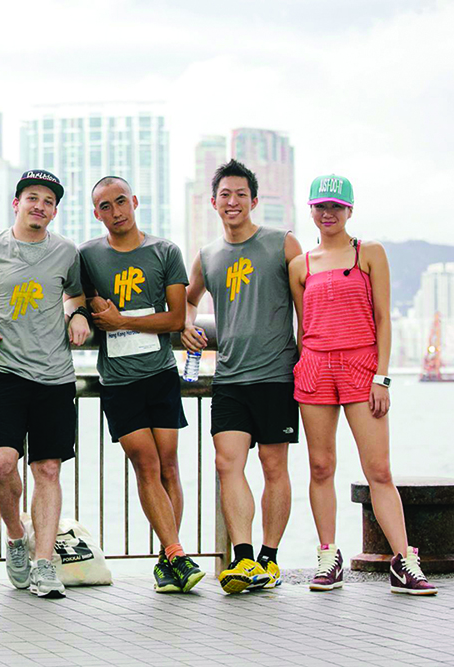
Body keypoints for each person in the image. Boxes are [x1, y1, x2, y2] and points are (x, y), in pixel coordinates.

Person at [290, 175, 436, 595]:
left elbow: (384, 318)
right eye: (320, 206)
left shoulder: (368, 253)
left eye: (336, 206)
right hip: (315, 369)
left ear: (350, 210)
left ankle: (404, 560)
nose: (328, 213)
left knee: (379, 470)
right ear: (311, 210)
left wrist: (382, 378)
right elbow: (304, 326)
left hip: (361, 367)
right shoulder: (301, 264)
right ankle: (328, 556)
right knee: (321, 467)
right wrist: (302, 367)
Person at [0, 169, 90, 599]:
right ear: (16, 203)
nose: (40, 206)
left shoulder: (66, 251)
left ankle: (45, 563)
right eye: (32, 198)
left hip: (54, 375)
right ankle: (17, 536)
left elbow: (76, 295)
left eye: (48, 202)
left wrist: (78, 315)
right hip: (4, 372)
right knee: (1, 462)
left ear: (54, 211)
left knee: (48, 469)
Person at [79, 176, 204, 593]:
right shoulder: (87, 256)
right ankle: (177, 555)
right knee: (146, 464)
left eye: (121, 202)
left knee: (169, 465)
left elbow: (174, 318)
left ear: (135, 201)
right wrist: (82, 311)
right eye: (105, 207)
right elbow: (74, 298)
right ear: (95, 213)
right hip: (118, 379)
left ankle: (169, 559)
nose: (116, 212)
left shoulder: (165, 251)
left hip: (160, 373)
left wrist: (122, 320)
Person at [182, 159, 301, 594]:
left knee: (274, 465)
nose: (232, 202)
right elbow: (188, 301)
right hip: (229, 376)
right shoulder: (208, 256)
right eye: (224, 195)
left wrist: (304, 361)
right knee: (226, 463)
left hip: (276, 375)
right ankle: (243, 558)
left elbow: (306, 309)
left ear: (254, 200)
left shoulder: (283, 244)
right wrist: (186, 325)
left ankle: (269, 559)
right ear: (213, 202)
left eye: (240, 195)